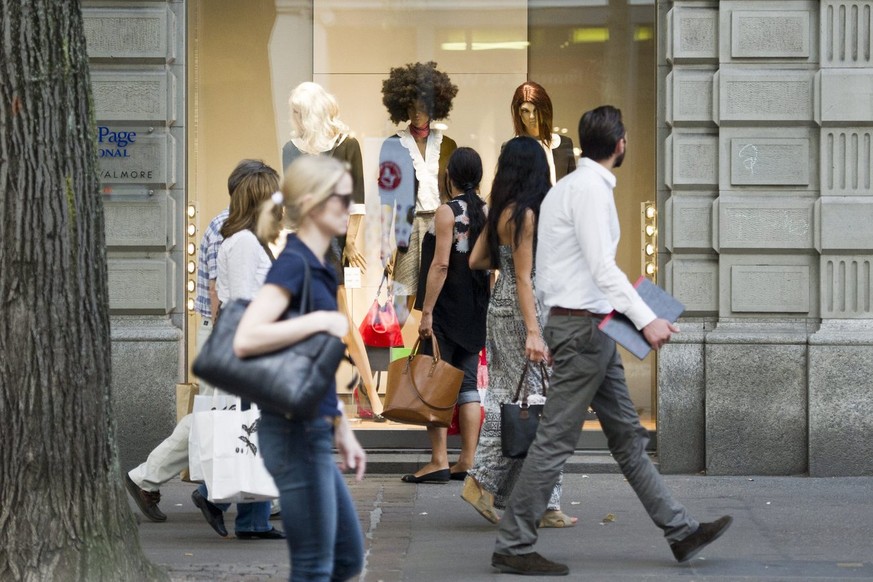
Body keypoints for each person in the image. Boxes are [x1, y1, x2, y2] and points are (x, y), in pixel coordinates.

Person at [490, 106, 732, 576]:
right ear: (620, 144)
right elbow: (603, 269)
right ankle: (514, 543)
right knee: (555, 439)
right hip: (584, 331)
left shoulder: (562, 191)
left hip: (584, 326)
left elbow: (563, 275)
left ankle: (680, 532)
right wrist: (646, 320)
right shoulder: (591, 193)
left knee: (626, 439)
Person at [234, 155, 366, 581]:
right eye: (342, 198)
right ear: (311, 203)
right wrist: (320, 321)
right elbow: (246, 336)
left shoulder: (321, 266)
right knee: (315, 567)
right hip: (293, 435)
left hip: (310, 431)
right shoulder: (294, 265)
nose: (351, 206)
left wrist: (341, 427)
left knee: (345, 560)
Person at [124, 160, 260, 523]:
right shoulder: (226, 228)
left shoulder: (233, 225)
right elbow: (218, 292)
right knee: (217, 416)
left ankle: (256, 496)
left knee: (220, 415)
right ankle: (147, 478)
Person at [463, 136, 576, 528]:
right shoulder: (527, 214)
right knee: (537, 402)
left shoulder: (503, 212)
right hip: (524, 314)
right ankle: (501, 488)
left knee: (512, 398)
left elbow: (477, 259)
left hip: (501, 309)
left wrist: (507, 256)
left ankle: (521, 496)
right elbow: (526, 279)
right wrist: (534, 331)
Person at [188, 160, 286, 540]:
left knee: (254, 433)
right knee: (253, 431)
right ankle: (215, 498)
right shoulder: (245, 243)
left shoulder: (246, 239)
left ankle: (251, 519)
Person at [282, 81, 382, 416]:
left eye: (298, 112)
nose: (294, 118)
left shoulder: (346, 144)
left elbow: (357, 201)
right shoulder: (291, 149)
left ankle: (371, 391)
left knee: (342, 320)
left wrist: (351, 241)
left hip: (332, 244)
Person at [401, 147, 489, 484]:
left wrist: (427, 313)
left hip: (447, 308)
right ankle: (467, 459)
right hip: (476, 308)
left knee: (435, 379)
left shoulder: (447, 212)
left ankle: (438, 460)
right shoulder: (485, 210)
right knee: (467, 384)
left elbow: (440, 265)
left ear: (449, 175)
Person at [378, 61, 458, 325]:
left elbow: (454, 193)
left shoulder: (448, 145)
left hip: (442, 223)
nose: (416, 112)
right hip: (408, 228)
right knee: (402, 295)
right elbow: (387, 197)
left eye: (422, 105)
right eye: (410, 105)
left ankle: (435, 360)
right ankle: (395, 358)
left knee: (440, 293)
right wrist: (383, 242)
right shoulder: (393, 145)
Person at [510, 81, 576, 185]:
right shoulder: (510, 149)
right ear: (518, 112)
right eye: (525, 111)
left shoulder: (564, 144)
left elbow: (572, 188)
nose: (532, 117)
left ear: (544, 110)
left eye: (536, 110)